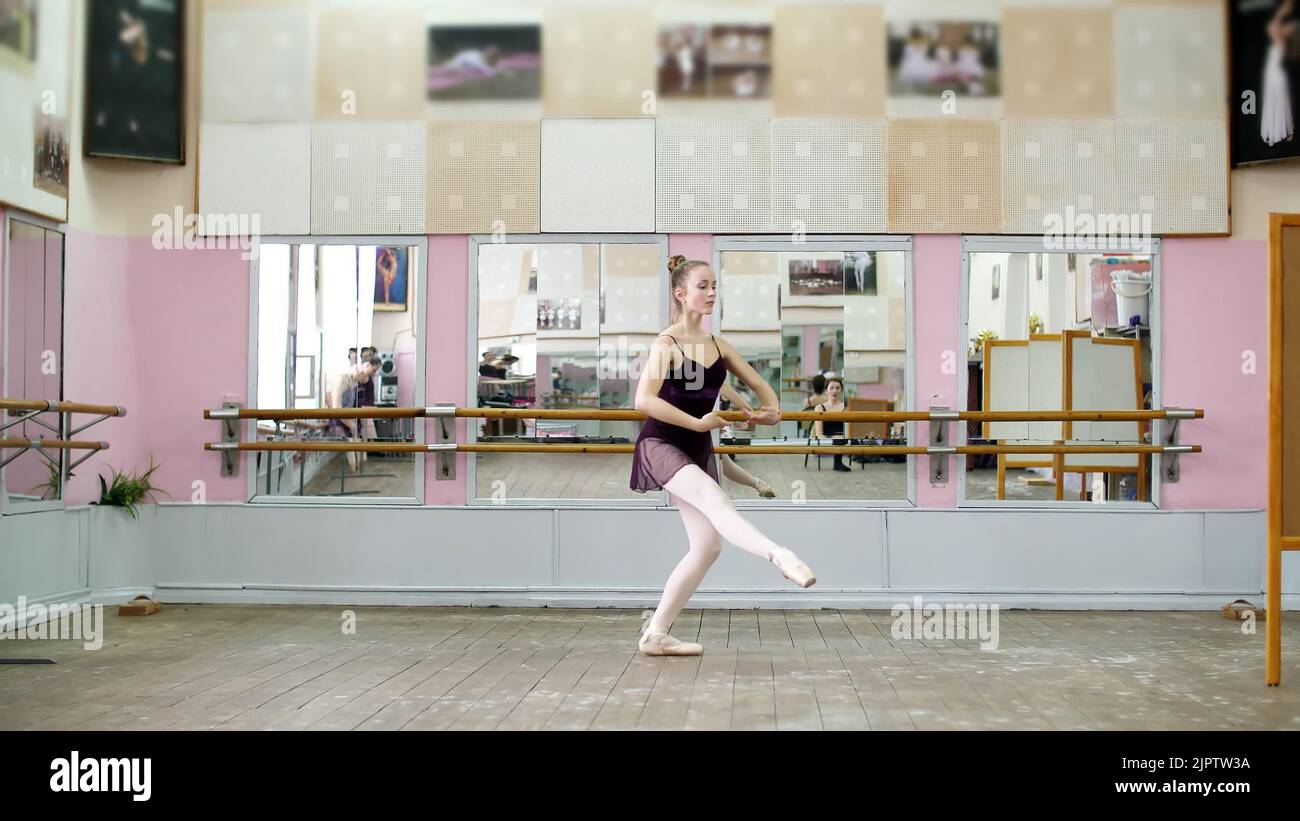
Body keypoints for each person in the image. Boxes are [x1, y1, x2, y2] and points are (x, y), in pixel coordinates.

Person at [630, 255, 816, 657]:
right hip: (662, 443)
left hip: (697, 447)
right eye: (703, 286)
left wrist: (769, 412)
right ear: (681, 294)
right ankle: (778, 555)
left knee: (708, 547)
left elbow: (765, 392)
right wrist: (697, 424)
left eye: (714, 286)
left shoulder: (720, 346)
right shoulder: (667, 344)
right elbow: (643, 399)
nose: (712, 293)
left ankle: (656, 634)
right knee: (718, 502)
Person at [1262, 0, 1296, 147]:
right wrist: (1284, 10)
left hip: (1276, 73)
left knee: (1279, 101)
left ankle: (1282, 130)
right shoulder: (1281, 34)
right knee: (1278, 101)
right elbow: (1273, 27)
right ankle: (1283, 130)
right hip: (1274, 72)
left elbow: (1272, 27)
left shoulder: (1283, 36)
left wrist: (1283, 11)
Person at [812, 376, 851, 472]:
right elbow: (819, 432)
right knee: (839, 438)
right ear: (826, 391)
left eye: (838, 388)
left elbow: (849, 428)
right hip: (828, 435)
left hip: (843, 436)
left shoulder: (846, 407)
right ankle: (837, 463)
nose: (835, 391)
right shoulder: (819, 408)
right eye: (832, 388)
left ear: (841, 390)